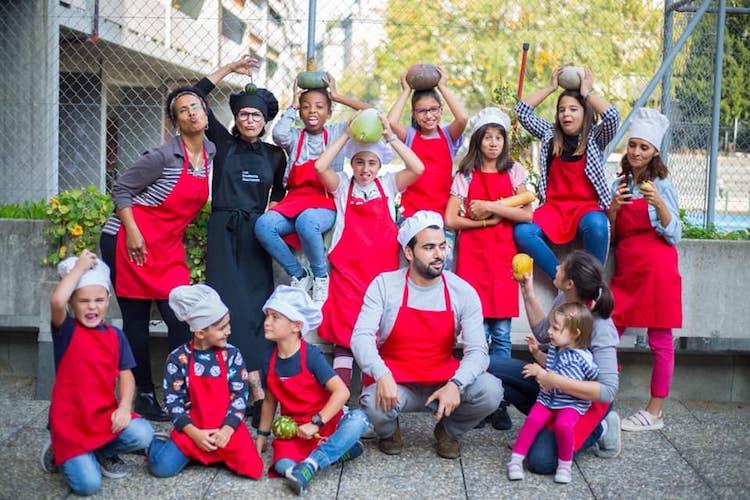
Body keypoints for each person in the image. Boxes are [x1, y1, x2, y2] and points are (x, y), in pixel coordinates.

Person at [100, 86, 215, 421]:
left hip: (166, 247)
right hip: (129, 240)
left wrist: (229, 69)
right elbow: (121, 189)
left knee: (181, 318)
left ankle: (180, 390)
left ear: (206, 114)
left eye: (196, 107)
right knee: (136, 320)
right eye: (183, 110)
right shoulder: (162, 157)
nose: (192, 113)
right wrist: (133, 233)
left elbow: (198, 90)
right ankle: (144, 395)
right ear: (175, 122)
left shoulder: (210, 151)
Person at [351, 210, 503, 459]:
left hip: (443, 380)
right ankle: (388, 432)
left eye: (442, 246)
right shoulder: (384, 285)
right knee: (371, 404)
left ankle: (448, 432)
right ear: (409, 252)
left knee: (491, 391)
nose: (439, 254)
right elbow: (361, 337)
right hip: (396, 382)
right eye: (429, 247)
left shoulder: (462, 291)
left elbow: (477, 351)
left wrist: (456, 384)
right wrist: (381, 374)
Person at [195, 56, 286, 417]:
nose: (250, 120)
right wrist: (230, 68)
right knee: (226, 306)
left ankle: (259, 387)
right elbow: (195, 96)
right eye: (245, 114)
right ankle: (235, 386)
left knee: (256, 310)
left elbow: (280, 194)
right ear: (236, 118)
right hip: (222, 230)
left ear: (265, 122)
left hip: (256, 234)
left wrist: (273, 219)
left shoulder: (275, 155)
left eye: (256, 116)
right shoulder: (222, 143)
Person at [315, 111, 424, 388]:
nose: (365, 169)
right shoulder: (342, 186)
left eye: (372, 162)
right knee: (343, 341)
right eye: (359, 162)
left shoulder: (388, 185)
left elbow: (418, 168)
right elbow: (320, 167)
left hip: (380, 280)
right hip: (347, 278)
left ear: (380, 164)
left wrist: (390, 137)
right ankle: (339, 402)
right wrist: (346, 134)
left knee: (373, 342)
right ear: (351, 163)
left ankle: (369, 400)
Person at [488, 250, 621, 473]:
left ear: (570, 283)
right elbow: (543, 333)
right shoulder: (564, 298)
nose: (556, 267)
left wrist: (554, 380)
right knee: (490, 366)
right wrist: (527, 291)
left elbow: (608, 391)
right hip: (553, 385)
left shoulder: (601, 325)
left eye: (561, 266)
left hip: (585, 403)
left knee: (541, 462)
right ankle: (541, 426)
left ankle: (602, 428)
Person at [445, 108, 533, 430]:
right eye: (487, 137)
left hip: (503, 259)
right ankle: (478, 400)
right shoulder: (465, 175)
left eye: (499, 137)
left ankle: (501, 402)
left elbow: (527, 214)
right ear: (478, 141)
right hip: (473, 259)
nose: (493, 143)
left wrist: (493, 208)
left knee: (503, 335)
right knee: (476, 336)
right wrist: (485, 222)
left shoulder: (515, 171)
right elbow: (450, 219)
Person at [41, 251, 154, 496]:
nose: (92, 306)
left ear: (108, 299)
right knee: (88, 486)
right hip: (71, 424)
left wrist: (124, 407)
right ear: (72, 302)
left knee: (144, 434)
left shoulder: (115, 335)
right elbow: (56, 301)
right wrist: (79, 268)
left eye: (99, 300)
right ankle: (60, 449)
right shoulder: (66, 331)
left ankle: (101, 450)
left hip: (102, 417)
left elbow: (126, 375)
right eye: (83, 301)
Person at [257, 74, 370, 302]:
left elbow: (370, 112)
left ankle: (320, 276)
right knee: (264, 225)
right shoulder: (294, 137)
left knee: (307, 220)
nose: (312, 111)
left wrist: (337, 96)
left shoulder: (337, 132)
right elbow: (278, 134)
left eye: (319, 107)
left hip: (324, 201)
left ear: (329, 112)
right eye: (306, 106)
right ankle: (299, 275)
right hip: (294, 200)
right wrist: (292, 104)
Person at [607, 108, 682, 432]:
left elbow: (675, 233)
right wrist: (613, 209)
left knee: (660, 340)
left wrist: (659, 204)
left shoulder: (662, 185)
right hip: (627, 271)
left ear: (655, 152)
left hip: (657, 269)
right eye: (633, 145)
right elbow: (611, 236)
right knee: (606, 331)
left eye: (644, 147)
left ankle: (654, 411)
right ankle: (602, 397)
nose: (636, 152)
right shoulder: (619, 184)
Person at [256, 285, 368, 496]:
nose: (267, 322)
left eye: (275, 317)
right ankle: (333, 454)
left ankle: (312, 463)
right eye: (267, 316)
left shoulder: (312, 356)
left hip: (325, 424)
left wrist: (316, 422)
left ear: (296, 325)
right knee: (282, 465)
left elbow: (342, 392)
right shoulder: (269, 361)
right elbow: (270, 401)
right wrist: (262, 436)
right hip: (295, 432)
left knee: (359, 420)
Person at [512, 67, 620, 279]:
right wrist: (550, 88)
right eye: (562, 110)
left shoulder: (595, 138)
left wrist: (587, 92)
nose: (566, 114)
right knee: (523, 232)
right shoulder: (549, 134)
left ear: (585, 112)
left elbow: (612, 116)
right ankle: (561, 278)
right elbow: (522, 111)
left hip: (586, 208)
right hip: (555, 209)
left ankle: (589, 285)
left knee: (597, 225)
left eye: (573, 109)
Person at [147, 284, 263, 479]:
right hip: (193, 430)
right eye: (221, 328)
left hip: (225, 428)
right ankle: (158, 444)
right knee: (161, 468)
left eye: (228, 324)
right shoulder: (178, 359)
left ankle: (203, 455)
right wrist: (194, 434)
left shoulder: (232, 355)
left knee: (254, 469)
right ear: (200, 332)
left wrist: (227, 430)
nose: (228, 331)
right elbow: (173, 401)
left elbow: (240, 396)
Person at [507, 303, 598, 484]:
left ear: (575, 334)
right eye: (550, 326)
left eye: (555, 328)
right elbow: (550, 364)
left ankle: (565, 464)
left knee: (563, 425)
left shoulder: (583, 357)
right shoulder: (556, 348)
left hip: (571, 402)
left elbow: (594, 378)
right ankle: (515, 460)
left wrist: (541, 373)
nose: (549, 332)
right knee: (532, 420)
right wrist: (536, 353)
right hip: (548, 398)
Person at [387, 66, 468, 219]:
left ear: (441, 109)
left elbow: (462, 118)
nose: (429, 115)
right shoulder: (410, 136)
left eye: (433, 109)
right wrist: (406, 91)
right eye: (422, 111)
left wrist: (442, 86)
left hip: (443, 212)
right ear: (414, 114)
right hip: (413, 212)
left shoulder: (448, 135)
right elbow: (390, 123)